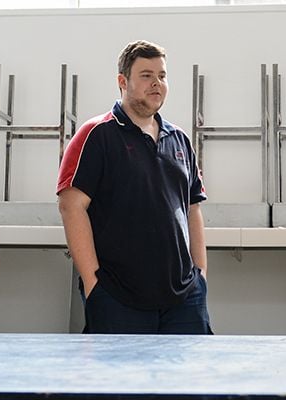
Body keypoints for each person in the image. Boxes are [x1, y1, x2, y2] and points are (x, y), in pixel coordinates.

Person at [56, 40, 211, 334]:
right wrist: (93, 283)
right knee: (119, 367)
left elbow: (193, 208)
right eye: (146, 75)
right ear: (122, 81)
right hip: (117, 297)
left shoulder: (179, 139)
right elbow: (71, 206)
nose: (156, 83)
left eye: (162, 76)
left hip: (183, 299)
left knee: (189, 366)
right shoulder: (96, 134)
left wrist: (200, 276)